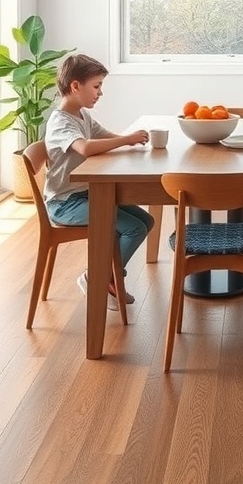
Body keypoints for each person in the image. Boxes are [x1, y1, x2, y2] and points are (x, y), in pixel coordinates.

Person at [44, 53, 154, 311]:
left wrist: (130, 140)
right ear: (75, 86)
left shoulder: (82, 115)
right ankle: (97, 277)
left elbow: (104, 136)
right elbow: (84, 147)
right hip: (65, 204)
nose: (100, 93)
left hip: (85, 194)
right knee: (133, 229)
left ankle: (108, 277)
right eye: (96, 86)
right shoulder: (61, 122)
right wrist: (125, 140)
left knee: (146, 221)